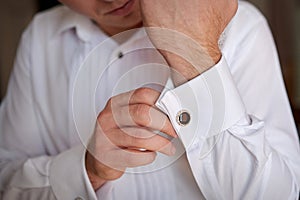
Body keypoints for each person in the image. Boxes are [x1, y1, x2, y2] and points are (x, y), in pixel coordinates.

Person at [0, 0, 299, 199]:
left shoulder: (240, 24)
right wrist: (87, 169)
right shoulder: (40, 37)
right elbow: (7, 182)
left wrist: (197, 61)